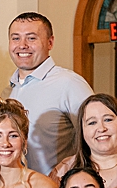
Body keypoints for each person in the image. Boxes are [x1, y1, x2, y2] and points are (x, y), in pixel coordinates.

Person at [5, 12, 93, 174]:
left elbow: (94, 142)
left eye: (31, 38)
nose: (22, 45)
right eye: (15, 38)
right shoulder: (9, 90)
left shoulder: (69, 84)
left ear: (50, 42)